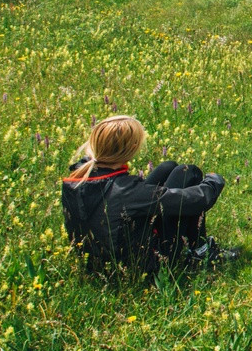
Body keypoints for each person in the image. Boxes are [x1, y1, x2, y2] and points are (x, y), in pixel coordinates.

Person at [60, 114, 238, 272]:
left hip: (97, 261)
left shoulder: (77, 179)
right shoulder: (127, 190)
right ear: (133, 147)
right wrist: (214, 182)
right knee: (188, 173)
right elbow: (192, 200)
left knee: (168, 167)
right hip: (139, 265)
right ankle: (201, 252)